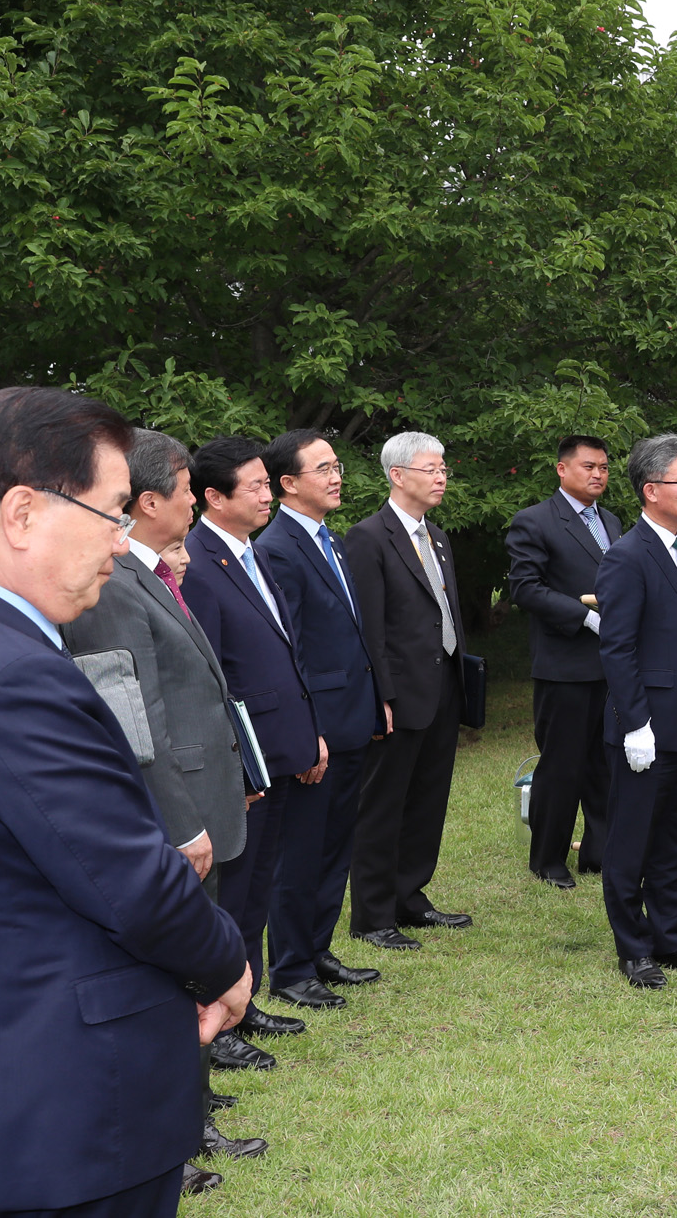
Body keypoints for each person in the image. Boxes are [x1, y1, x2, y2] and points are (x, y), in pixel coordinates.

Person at [0, 386, 251, 1217]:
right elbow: (130, 881)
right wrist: (225, 964)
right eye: (110, 512)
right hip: (72, 1109)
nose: (121, 537)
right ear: (22, 514)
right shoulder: (18, 676)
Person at [61, 429, 265, 1174]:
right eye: (185, 492)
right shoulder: (114, 586)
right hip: (178, 817)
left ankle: (192, 1114)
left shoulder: (149, 574)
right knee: (175, 979)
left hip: (203, 795)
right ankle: (176, 1137)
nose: (193, 505)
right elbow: (135, 720)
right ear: (148, 501)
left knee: (192, 977)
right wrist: (182, 823)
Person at [182, 437, 330, 1071]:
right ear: (214, 498)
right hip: (248, 758)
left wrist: (308, 730)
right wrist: (238, 764)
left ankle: (247, 999)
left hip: (282, 744)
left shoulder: (253, 553)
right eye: (257, 487)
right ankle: (220, 1019)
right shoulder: (197, 563)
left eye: (270, 484)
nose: (269, 495)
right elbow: (210, 678)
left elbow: (286, 654)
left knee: (260, 882)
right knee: (234, 891)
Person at [254, 430, 385, 1008]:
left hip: (352, 713)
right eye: (323, 469)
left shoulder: (328, 538)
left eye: (337, 466)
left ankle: (318, 948)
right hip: (317, 727)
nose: (336, 477)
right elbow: (292, 649)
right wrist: (310, 732)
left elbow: (350, 630)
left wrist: (374, 698)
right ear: (288, 483)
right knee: (301, 851)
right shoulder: (278, 547)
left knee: (335, 845)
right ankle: (290, 968)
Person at [596, 434, 677, 989]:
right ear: (652, 490)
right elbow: (617, 648)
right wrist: (636, 724)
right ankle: (634, 950)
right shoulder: (626, 556)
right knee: (632, 843)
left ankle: (671, 938)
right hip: (646, 727)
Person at [342, 432, 472, 950]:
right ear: (397, 475)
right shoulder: (368, 537)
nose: (441, 477)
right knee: (383, 805)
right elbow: (369, 628)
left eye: (444, 469)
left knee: (426, 800)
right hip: (397, 694)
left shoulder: (436, 536)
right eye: (431, 469)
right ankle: (373, 915)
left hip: (442, 684)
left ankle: (409, 896)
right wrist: (382, 696)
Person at [506, 434, 621, 888]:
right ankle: (548, 859)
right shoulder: (534, 521)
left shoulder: (611, 521)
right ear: (562, 468)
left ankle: (599, 853)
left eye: (604, 468)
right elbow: (525, 588)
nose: (598, 474)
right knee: (562, 766)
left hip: (611, 665)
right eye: (589, 466)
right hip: (565, 666)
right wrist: (585, 618)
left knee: (606, 764)